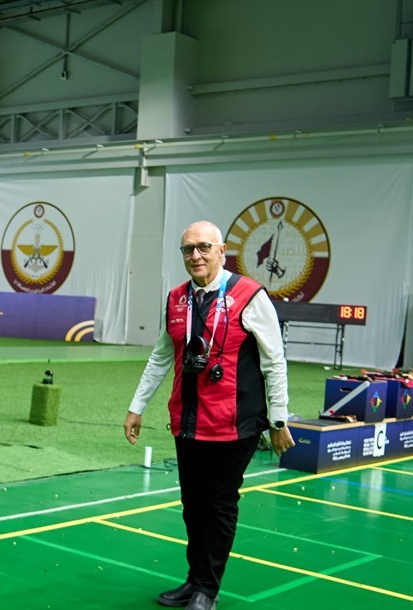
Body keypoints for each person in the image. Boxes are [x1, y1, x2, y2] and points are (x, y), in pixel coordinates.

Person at [124, 220, 295, 610]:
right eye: (188, 249)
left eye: (204, 247)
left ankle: (207, 589)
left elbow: (274, 362)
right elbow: (161, 357)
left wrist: (278, 420)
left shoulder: (249, 295)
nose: (196, 255)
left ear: (222, 251)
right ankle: (194, 580)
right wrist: (137, 407)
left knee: (218, 505)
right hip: (189, 423)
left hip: (235, 425)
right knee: (193, 505)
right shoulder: (177, 298)